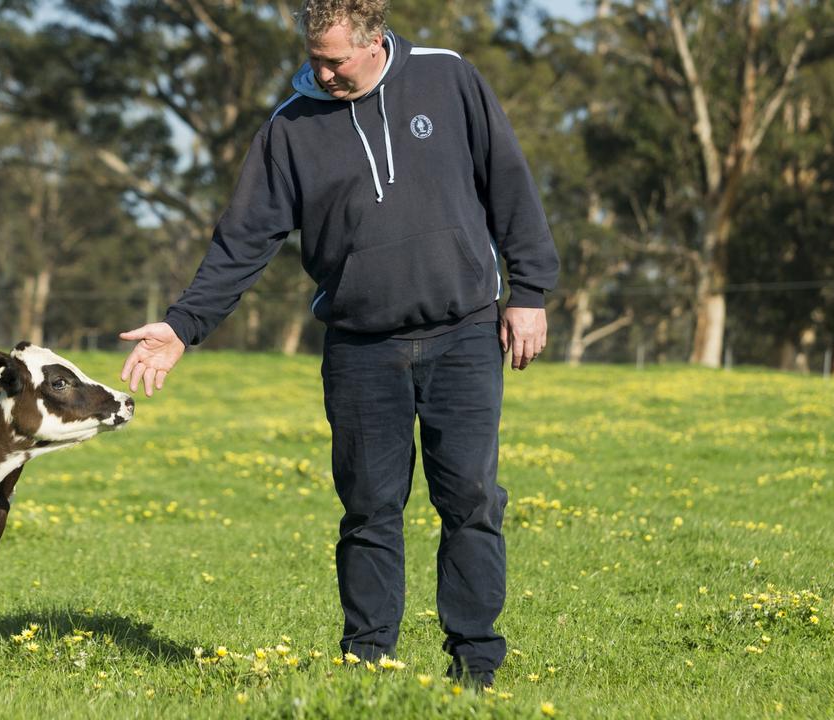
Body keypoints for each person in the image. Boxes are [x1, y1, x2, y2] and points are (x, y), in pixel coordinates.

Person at [119, 0, 558, 688]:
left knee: (471, 499)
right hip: (360, 350)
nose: (319, 72)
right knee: (370, 509)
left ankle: (475, 660)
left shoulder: (449, 79)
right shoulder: (289, 128)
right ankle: (368, 658)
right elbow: (243, 241)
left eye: (334, 59)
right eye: (313, 57)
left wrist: (528, 294)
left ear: (374, 41)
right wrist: (183, 326)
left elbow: (509, 183)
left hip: (464, 331)